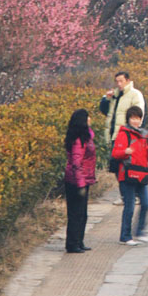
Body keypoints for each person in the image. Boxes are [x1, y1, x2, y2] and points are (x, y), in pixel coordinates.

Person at [111, 105, 148, 246]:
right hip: (127, 174)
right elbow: (115, 153)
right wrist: (125, 151)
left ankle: (140, 232)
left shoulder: (144, 134)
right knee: (130, 206)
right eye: (133, 118)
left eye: (138, 118)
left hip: (141, 173)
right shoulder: (124, 134)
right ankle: (125, 236)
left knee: (146, 203)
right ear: (128, 119)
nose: (136, 121)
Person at [63, 108, 97, 253]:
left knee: (82, 213)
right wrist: (80, 185)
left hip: (84, 179)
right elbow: (76, 164)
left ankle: (79, 241)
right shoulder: (78, 140)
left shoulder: (86, 137)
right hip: (76, 181)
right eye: (88, 117)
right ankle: (72, 244)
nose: (90, 119)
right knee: (76, 213)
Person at [99, 70, 145, 147]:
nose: (119, 84)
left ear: (127, 81)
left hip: (126, 136)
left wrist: (134, 134)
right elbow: (105, 111)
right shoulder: (114, 95)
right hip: (113, 135)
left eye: (121, 81)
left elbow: (139, 115)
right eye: (117, 82)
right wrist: (106, 100)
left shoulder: (135, 94)